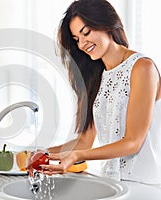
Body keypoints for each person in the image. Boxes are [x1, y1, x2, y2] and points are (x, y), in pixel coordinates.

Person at [41, 0, 161, 184]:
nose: (82, 44)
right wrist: (43, 153)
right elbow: (83, 142)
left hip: (144, 186)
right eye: (76, 39)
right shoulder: (94, 78)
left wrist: (77, 156)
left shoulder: (142, 67)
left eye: (86, 33)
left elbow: (133, 142)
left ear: (106, 24)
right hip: (112, 182)